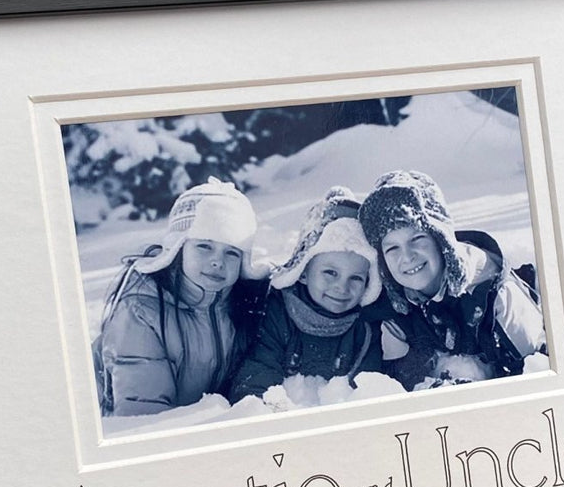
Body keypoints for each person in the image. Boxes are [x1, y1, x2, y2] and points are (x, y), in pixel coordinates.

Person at [358, 170, 545, 390]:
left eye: (417, 238)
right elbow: (395, 381)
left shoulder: (495, 295)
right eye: (392, 248)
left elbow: (537, 370)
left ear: (441, 240)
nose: (407, 256)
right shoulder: (394, 304)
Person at [94, 179, 266, 417]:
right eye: (204, 246)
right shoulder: (142, 310)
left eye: (232, 252)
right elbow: (142, 415)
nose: (218, 261)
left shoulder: (243, 303)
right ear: (178, 248)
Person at [230, 187, 383, 402]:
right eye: (330, 273)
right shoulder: (277, 314)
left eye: (356, 278)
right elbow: (255, 378)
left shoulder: (364, 329)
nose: (342, 287)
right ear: (302, 273)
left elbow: (372, 391)